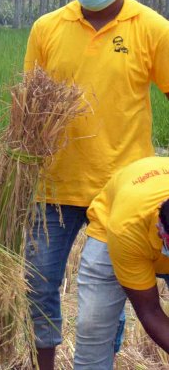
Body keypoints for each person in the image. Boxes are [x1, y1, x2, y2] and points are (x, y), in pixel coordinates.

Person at [23, 0, 169, 370]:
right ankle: (44, 363)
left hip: (124, 189)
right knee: (38, 285)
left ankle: (101, 357)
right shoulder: (48, 28)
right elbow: (27, 107)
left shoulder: (153, 29)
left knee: (111, 291)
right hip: (53, 186)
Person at [75, 157, 169, 368]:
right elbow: (150, 312)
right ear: (161, 231)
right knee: (93, 326)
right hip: (115, 229)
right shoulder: (126, 228)